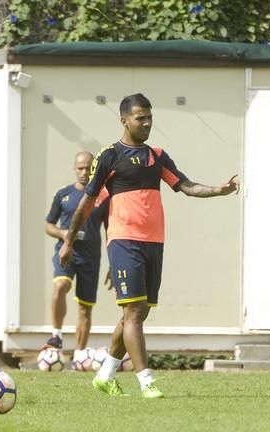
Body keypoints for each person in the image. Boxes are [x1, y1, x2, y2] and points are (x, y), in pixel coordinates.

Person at [59, 93, 239, 398]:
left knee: (137, 313)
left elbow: (186, 186)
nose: (146, 123)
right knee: (134, 311)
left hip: (154, 243)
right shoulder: (109, 156)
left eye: (149, 117)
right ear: (124, 120)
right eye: (140, 118)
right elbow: (87, 202)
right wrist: (68, 241)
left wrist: (218, 191)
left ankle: (105, 374)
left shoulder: (157, 155)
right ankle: (146, 381)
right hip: (123, 241)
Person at [43, 151, 109, 361]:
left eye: (89, 168)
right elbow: (48, 225)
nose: (84, 172)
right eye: (80, 168)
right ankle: (56, 335)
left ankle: (80, 355)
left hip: (91, 256)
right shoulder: (63, 194)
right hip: (67, 252)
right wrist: (64, 235)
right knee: (60, 286)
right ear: (74, 169)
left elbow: (111, 230)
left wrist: (114, 263)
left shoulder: (103, 197)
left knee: (84, 307)